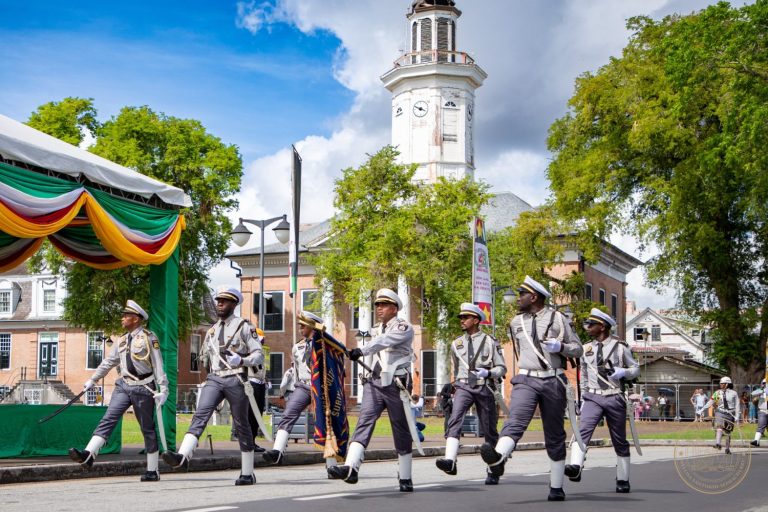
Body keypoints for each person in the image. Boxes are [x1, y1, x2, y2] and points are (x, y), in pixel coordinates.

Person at [480, 276, 583, 502]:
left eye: (521, 295)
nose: (518, 299)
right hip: (526, 379)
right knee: (516, 420)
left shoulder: (557, 318)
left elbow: (578, 349)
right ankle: (498, 458)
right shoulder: (516, 322)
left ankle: (556, 486)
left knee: (554, 433)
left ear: (534, 297)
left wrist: (562, 346)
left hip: (553, 380)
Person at [162, 288, 263, 485]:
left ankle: (247, 471)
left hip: (236, 378)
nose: (219, 304)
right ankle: (183, 456)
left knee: (242, 424)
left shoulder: (244, 327)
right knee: (200, 414)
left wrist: (241, 360)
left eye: (224, 301)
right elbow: (205, 357)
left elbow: (259, 354)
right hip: (215, 378)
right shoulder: (212, 330)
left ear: (234, 304)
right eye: (218, 300)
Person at [69, 300, 168, 482]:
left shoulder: (149, 337)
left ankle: (152, 470)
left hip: (143, 387)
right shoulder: (122, 340)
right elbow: (109, 361)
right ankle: (89, 454)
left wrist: (164, 388)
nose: (122, 318)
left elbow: (158, 363)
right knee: (109, 417)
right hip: (123, 385)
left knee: (147, 428)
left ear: (136, 319)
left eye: (126, 315)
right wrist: (93, 379)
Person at [329, 288, 415, 492]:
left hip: (397, 383)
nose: (378, 308)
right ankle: (351, 467)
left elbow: (383, 342)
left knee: (400, 429)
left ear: (394, 308)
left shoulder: (404, 327)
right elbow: (376, 345)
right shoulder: (376, 329)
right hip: (375, 382)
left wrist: (361, 349)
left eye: (383, 305)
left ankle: (405, 476)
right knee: (364, 421)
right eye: (377, 305)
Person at [564, 308, 640, 493]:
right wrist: (582, 398)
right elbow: (582, 375)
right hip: (592, 397)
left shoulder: (620, 347)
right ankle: (575, 466)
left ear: (602, 326)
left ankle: (623, 478)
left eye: (591, 324)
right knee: (581, 431)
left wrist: (625, 372)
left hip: (614, 396)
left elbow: (636, 369)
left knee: (619, 439)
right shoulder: (586, 349)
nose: (587, 327)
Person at [435, 302, 506, 485]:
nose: (462, 320)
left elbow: (502, 367)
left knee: (489, 427)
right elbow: (457, 368)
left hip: (485, 387)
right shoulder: (456, 344)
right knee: (455, 418)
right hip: (464, 387)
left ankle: (493, 468)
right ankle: (450, 460)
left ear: (476, 320)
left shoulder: (490, 342)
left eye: (465, 317)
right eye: (461, 317)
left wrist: (489, 373)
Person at [264, 311, 337, 470]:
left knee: (326, 422)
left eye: (303, 325)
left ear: (312, 326)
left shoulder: (326, 344)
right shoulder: (298, 347)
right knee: (288, 413)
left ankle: (331, 464)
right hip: (303, 386)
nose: (300, 328)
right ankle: (278, 450)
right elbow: (296, 370)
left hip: (321, 387)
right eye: (299, 325)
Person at [231, 327, 268, 452]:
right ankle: (248, 442)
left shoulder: (260, 352)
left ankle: (252, 441)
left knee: (258, 414)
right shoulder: (248, 351)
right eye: (260, 340)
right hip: (251, 384)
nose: (262, 343)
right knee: (251, 415)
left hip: (260, 384)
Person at [702, 376, 740, 455]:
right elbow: (711, 401)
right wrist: (703, 409)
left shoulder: (734, 393)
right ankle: (718, 444)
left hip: (730, 414)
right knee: (719, 426)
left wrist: (737, 416)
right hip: (720, 412)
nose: (720, 385)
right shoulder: (717, 392)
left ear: (727, 384)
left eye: (722, 383)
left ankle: (727, 448)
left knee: (727, 432)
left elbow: (737, 405)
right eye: (720, 383)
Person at [751, 379, 766, 446]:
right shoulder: (760, 391)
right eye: (764, 383)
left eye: (765, 383)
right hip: (763, 410)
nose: (764, 384)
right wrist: (762, 391)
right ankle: (756, 441)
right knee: (760, 426)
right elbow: (753, 396)